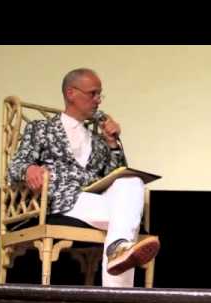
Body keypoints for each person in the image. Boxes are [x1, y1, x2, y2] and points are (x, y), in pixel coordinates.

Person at [8, 68, 160, 287]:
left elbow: (116, 176)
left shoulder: (98, 140)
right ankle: (119, 301)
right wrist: (29, 169)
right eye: (93, 93)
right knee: (128, 221)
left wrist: (112, 144)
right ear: (71, 93)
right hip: (62, 200)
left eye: (100, 95)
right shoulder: (41, 129)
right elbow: (16, 164)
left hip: (95, 199)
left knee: (132, 182)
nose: (98, 100)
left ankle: (118, 247)